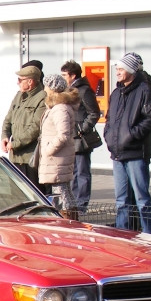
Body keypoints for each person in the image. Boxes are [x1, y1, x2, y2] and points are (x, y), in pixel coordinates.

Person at [104, 52, 151, 234]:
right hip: (117, 153)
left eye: (121, 69)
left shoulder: (144, 90)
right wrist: (109, 136)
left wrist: (131, 134)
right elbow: (109, 119)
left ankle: (148, 234)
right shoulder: (116, 93)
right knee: (121, 200)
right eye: (117, 68)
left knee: (141, 199)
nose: (117, 72)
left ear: (130, 70)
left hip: (136, 153)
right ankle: (123, 234)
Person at [60, 60, 102, 213]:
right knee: (73, 172)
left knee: (82, 172)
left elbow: (94, 113)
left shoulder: (84, 90)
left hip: (80, 138)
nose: (63, 78)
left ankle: (81, 204)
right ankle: (73, 204)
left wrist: (82, 129)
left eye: (64, 75)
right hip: (71, 137)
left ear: (73, 75)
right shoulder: (67, 90)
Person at [38, 74, 79, 218]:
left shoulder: (60, 108)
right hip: (56, 158)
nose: (44, 89)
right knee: (63, 192)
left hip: (57, 158)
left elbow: (63, 135)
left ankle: (68, 221)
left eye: (46, 86)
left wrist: (48, 150)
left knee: (61, 193)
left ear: (52, 88)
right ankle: (71, 220)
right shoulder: (55, 107)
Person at [0, 64, 47, 189]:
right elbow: (8, 119)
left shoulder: (42, 98)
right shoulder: (18, 96)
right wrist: (5, 136)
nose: (18, 83)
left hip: (30, 158)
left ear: (30, 82)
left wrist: (15, 144)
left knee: (32, 192)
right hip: (15, 157)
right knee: (16, 192)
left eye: (20, 80)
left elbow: (35, 128)